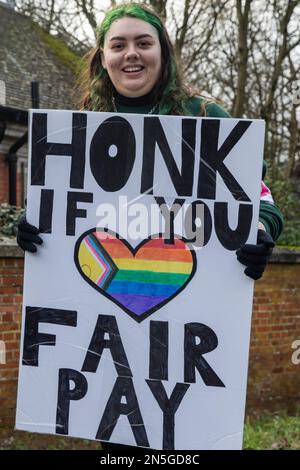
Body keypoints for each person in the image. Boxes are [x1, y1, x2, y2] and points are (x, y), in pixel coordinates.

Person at [17, 2, 283, 450]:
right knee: (121, 442)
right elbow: (64, 213)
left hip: (186, 335)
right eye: (118, 45)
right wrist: (36, 228)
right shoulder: (80, 126)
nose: (131, 54)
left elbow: (261, 201)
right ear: (103, 56)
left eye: (144, 42)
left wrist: (259, 234)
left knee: (183, 441)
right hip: (109, 346)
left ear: (164, 51)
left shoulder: (205, 118)